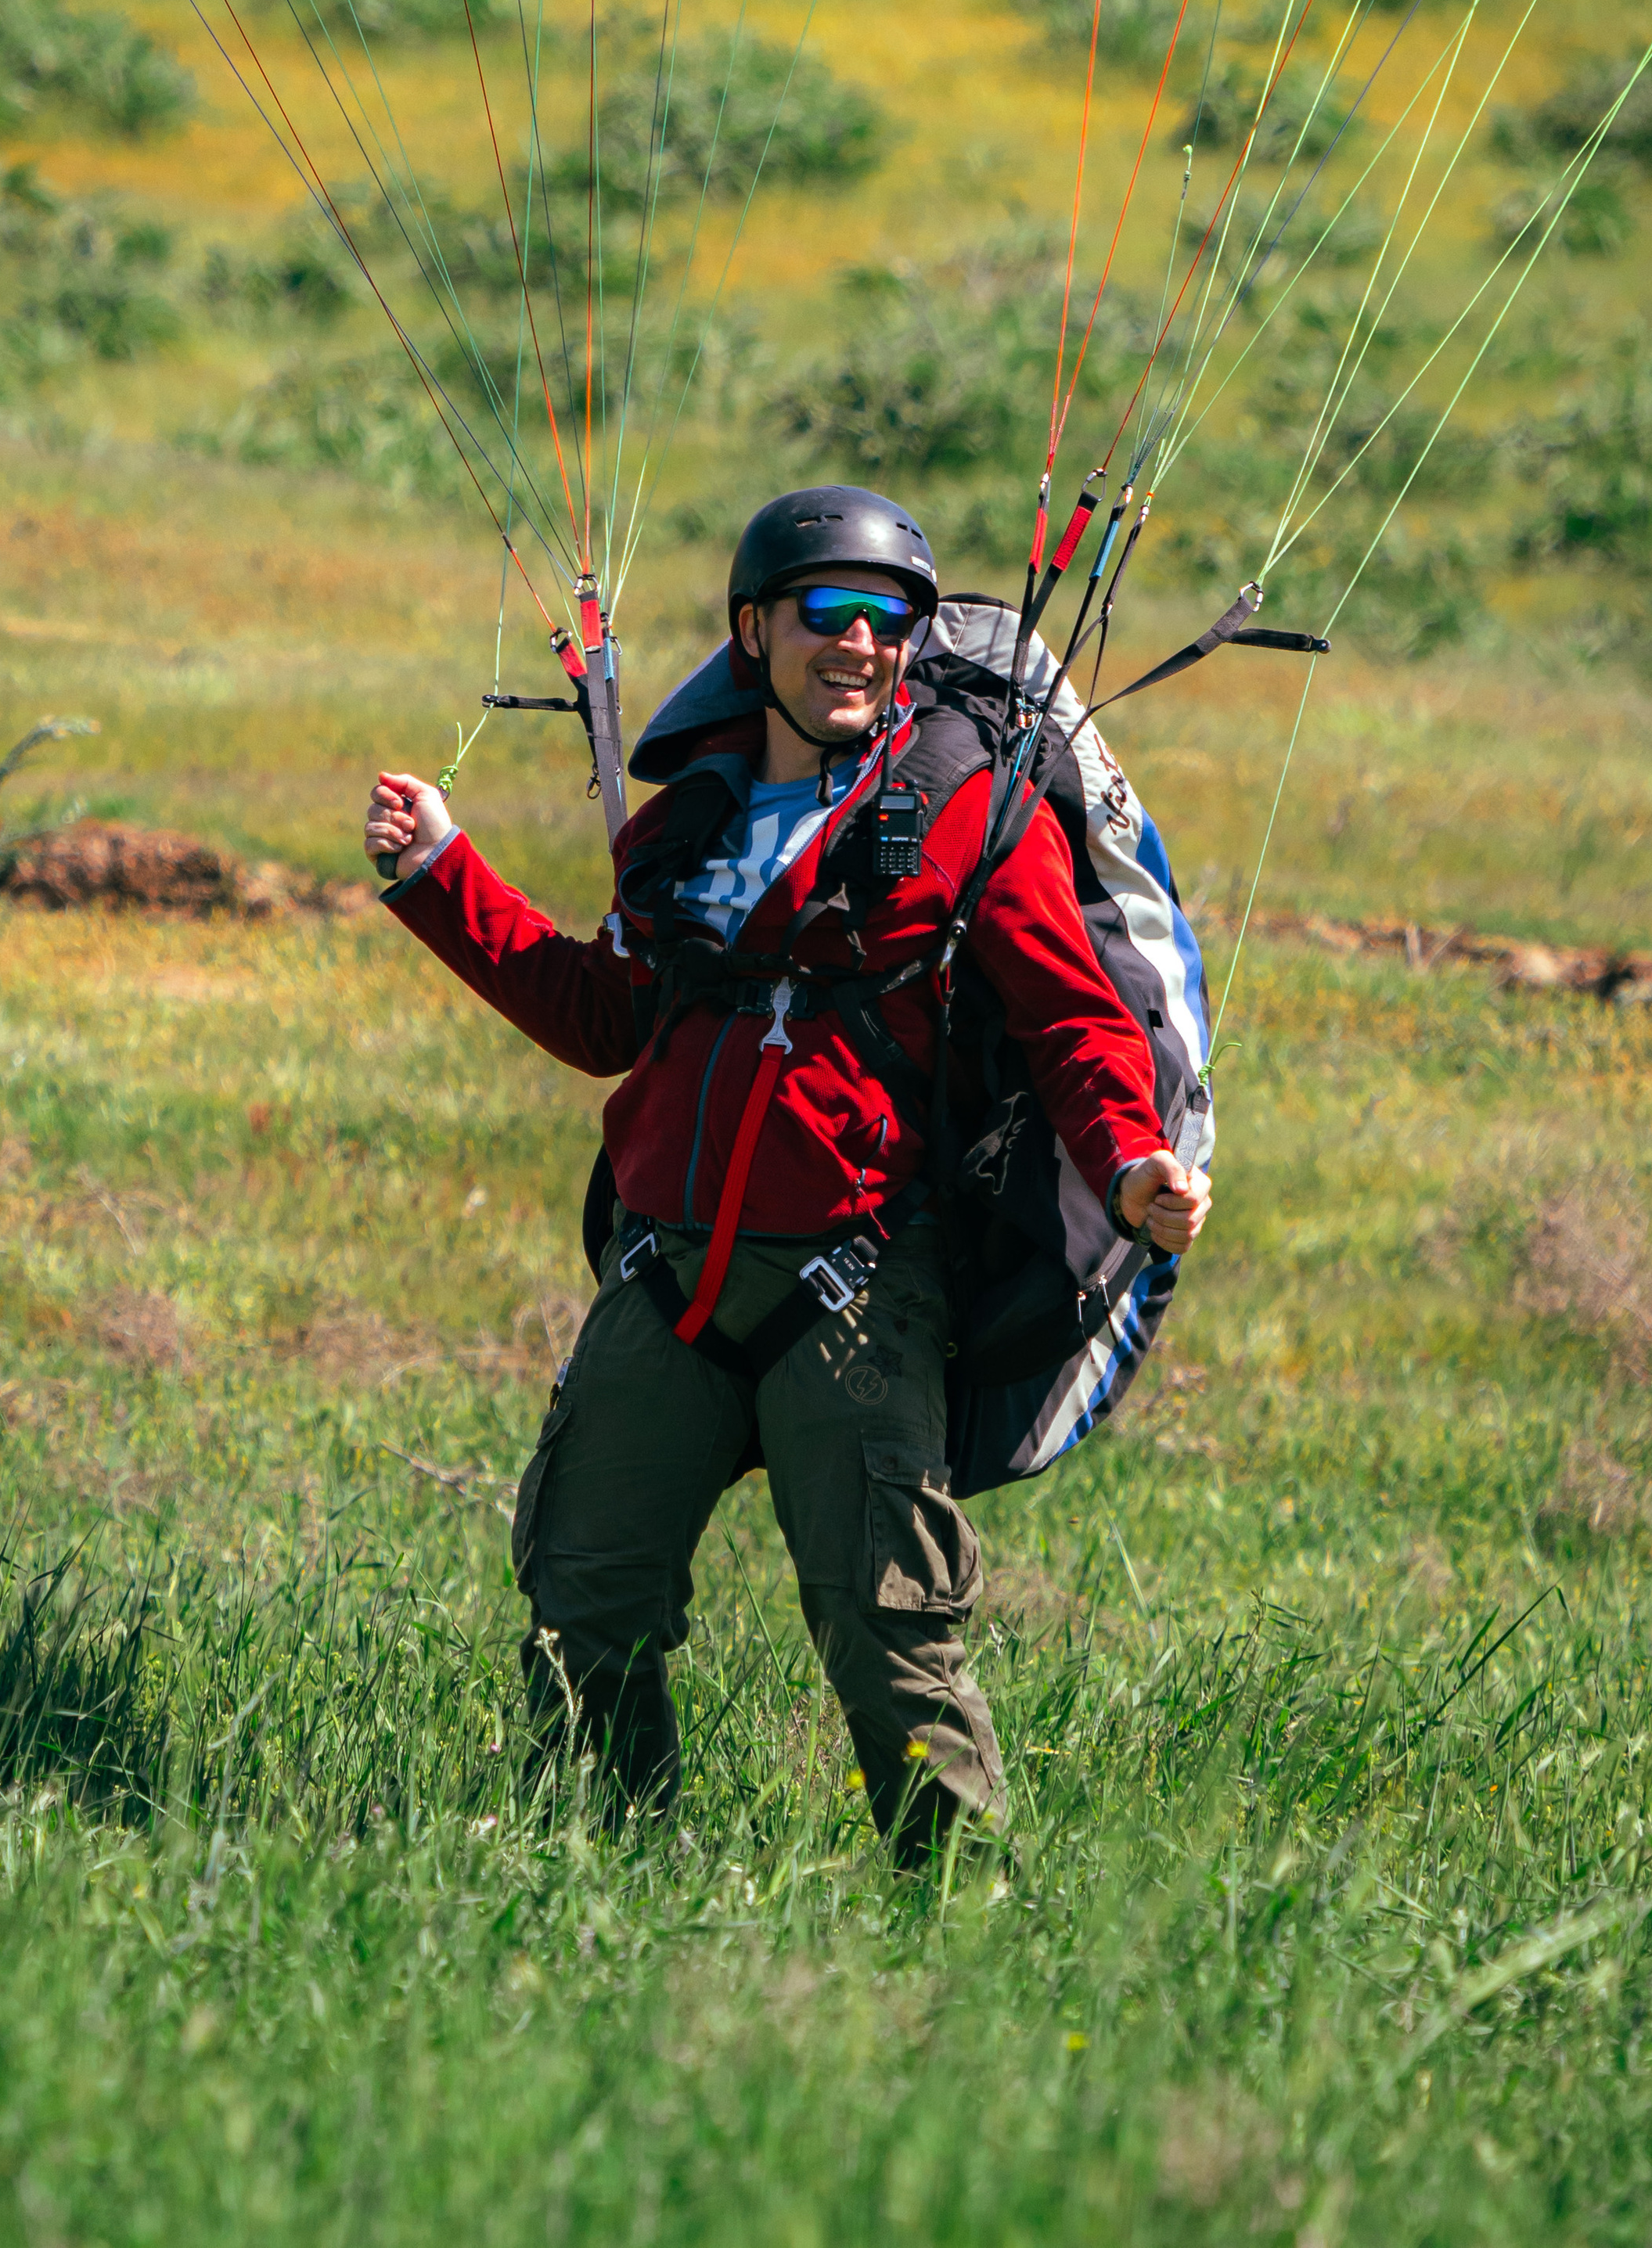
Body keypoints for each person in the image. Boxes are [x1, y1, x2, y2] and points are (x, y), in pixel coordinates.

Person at [365, 485, 1210, 1865]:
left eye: (889, 620)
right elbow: (605, 1017)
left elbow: (1072, 1016)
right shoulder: (684, 826)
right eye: (828, 612)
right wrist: (442, 873)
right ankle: (600, 1871)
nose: (860, 643)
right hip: (666, 1276)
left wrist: (1130, 1162)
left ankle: (961, 1913)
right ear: (754, 631)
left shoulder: (970, 811)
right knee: (584, 1598)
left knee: (891, 1634)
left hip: (858, 1283)